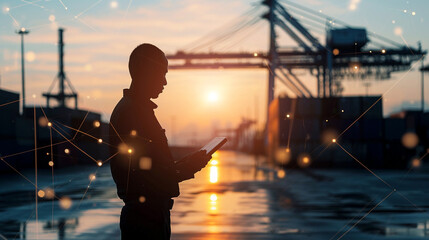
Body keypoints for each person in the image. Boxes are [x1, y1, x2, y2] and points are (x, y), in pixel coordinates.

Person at [109, 43, 211, 240]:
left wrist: (187, 163)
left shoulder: (133, 110)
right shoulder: (134, 114)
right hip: (146, 219)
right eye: (162, 74)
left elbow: (152, 168)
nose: (165, 82)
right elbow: (152, 175)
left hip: (147, 215)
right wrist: (191, 165)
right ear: (146, 73)